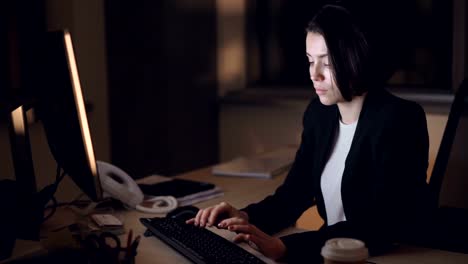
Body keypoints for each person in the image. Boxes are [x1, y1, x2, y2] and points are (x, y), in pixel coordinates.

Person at [187, 3, 430, 263]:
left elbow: (380, 226)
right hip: (331, 253)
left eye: (326, 63)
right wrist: (245, 217)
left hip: (392, 255)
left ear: (355, 58)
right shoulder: (319, 114)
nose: (314, 74)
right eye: (310, 61)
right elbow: (293, 194)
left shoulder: (399, 120)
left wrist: (285, 247)